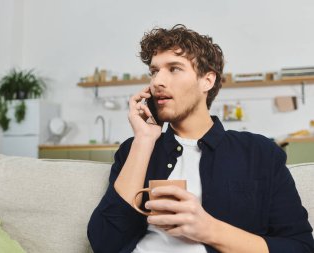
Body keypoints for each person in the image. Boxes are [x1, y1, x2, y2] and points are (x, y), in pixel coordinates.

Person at [87, 24, 314, 253]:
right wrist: (144, 140)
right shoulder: (135, 149)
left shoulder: (259, 153)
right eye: (154, 71)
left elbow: (300, 247)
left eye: (174, 69)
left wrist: (208, 229)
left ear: (207, 80)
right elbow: (104, 244)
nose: (157, 82)